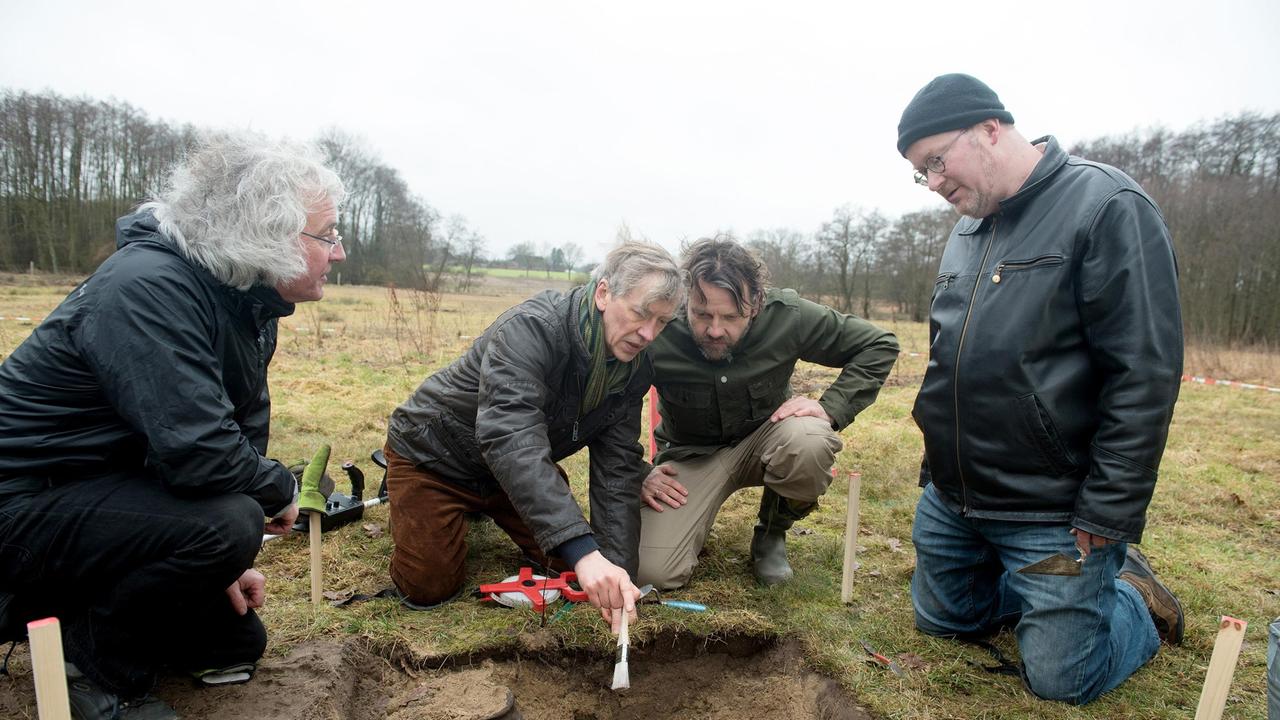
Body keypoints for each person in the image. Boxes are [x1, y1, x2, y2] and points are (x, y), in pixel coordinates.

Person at [0, 132, 345, 719]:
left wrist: (223, 564)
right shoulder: (147, 289)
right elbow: (200, 452)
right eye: (326, 235)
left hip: (94, 497)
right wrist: (275, 494)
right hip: (23, 511)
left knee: (234, 642)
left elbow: (237, 427)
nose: (337, 252)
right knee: (229, 520)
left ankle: (111, 618)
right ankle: (89, 667)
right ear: (266, 234)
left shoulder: (244, 300)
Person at [896, 73, 1184, 704]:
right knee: (945, 624)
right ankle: (1040, 591)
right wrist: (938, 460)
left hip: (1053, 507)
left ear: (991, 130)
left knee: (1060, 682)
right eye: (923, 173)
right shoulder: (967, 229)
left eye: (937, 162)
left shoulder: (1105, 205)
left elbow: (1145, 372)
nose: (935, 184)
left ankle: (1131, 596)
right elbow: (952, 358)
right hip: (957, 495)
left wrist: (1110, 508)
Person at [384, 242, 683, 631]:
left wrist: (615, 574)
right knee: (429, 586)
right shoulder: (532, 329)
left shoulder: (633, 368)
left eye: (661, 323)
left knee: (577, 569)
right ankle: (411, 496)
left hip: (508, 476)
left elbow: (618, 468)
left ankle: (479, 510)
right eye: (641, 313)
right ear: (604, 293)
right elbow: (510, 436)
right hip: (435, 458)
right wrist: (584, 553)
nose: (647, 333)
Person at [636, 236, 899, 589]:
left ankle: (772, 531)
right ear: (685, 301)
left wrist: (829, 407)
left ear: (756, 304)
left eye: (731, 317)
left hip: (769, 440)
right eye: (702, 315)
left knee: (809, 442)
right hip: (691, 455)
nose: (715, 330)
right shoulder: (660, 328)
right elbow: (612, 404)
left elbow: (878, 344)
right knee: (652, 572)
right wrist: (638, 472)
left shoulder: (787, 316)